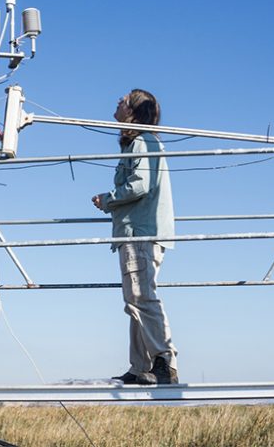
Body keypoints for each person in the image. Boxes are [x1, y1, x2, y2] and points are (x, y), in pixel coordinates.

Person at [92, 89, 179, 385]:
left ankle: (164, 362)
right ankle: (141, 366)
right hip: (140, 232)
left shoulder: (142, 142)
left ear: (133, 111)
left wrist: (108, 199)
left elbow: (139, 185)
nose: (117, 101)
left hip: (140, 233)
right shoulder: (139, 144)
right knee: (135, 300)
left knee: (141, 297)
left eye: (124, 99)